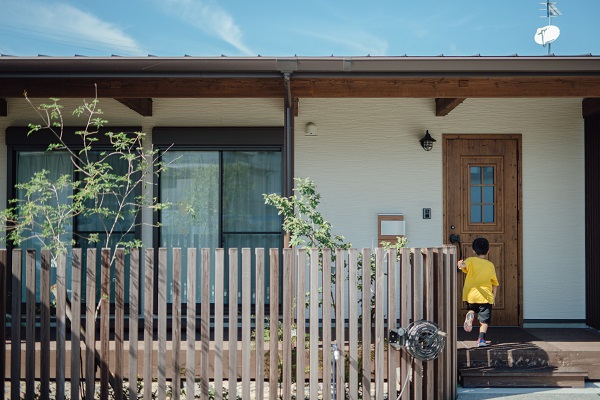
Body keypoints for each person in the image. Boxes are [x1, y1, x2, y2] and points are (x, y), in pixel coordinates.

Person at [457, 237, 499, 347]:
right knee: (484, 321)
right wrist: (493, 297)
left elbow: (462, 266)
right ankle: (481, 340)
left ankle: (470, 316)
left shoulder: (471, 260)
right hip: (485, 296)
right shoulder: (490, 265)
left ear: (473, 251)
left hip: (471, 294)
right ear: (488, 250)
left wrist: (460, 264)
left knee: (471, 309)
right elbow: (495, 284)